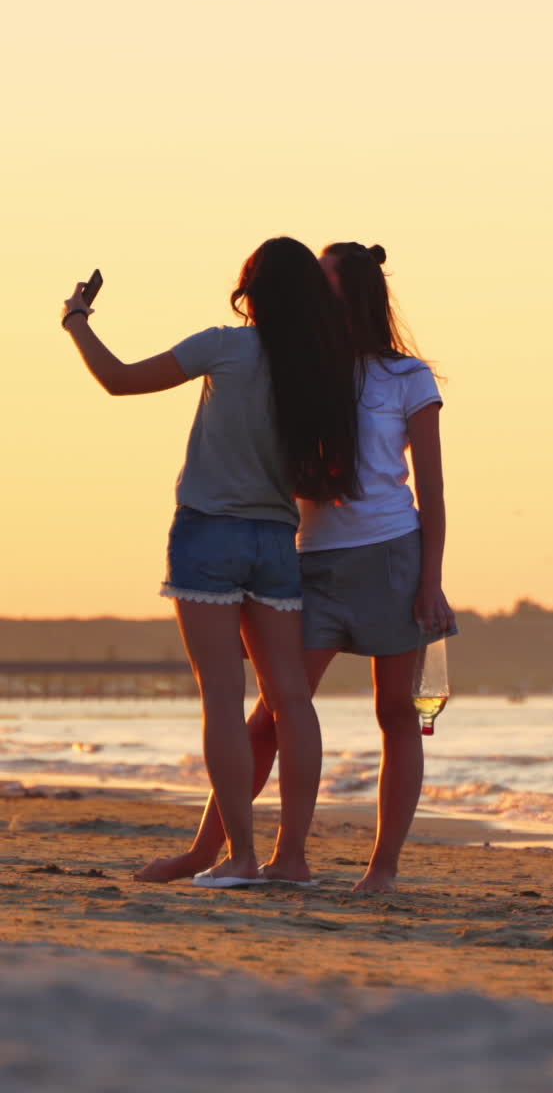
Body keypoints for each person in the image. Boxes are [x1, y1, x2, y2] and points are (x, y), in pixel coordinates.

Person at [136, 241, 455, 893]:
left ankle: (383, 868)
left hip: (391, 558)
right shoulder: (300, 366)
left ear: (351, 292)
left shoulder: (407, 377)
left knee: (400, 713)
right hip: (307, 559)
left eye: (323, 282)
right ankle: (210, 850)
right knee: (272, 714)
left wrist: (432, 582)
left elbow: (433, 491)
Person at [62, 237, 358, 888]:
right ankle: (294, 860)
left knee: (223, 701)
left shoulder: (226, 345)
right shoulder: (324, 367)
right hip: (277, 541)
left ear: (250, 287)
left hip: (207, 536)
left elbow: (119, 380)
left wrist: (77, 321)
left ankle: (243, 859)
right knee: (291, 703)